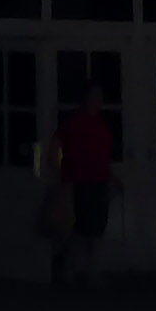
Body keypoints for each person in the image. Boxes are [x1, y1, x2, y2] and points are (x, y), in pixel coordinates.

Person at [49, 88, 119, 283]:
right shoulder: (75, 123)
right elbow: (55, 146)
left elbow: (103, 157)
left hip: (98, 182)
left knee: (94, 230)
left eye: (100, 97)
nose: (99, 101)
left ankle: (87, 272)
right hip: (79, 181)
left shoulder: (102, 126)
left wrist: (111, 179)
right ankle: (72, 271)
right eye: (95, 97)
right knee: (79, 230)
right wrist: (58, 174)